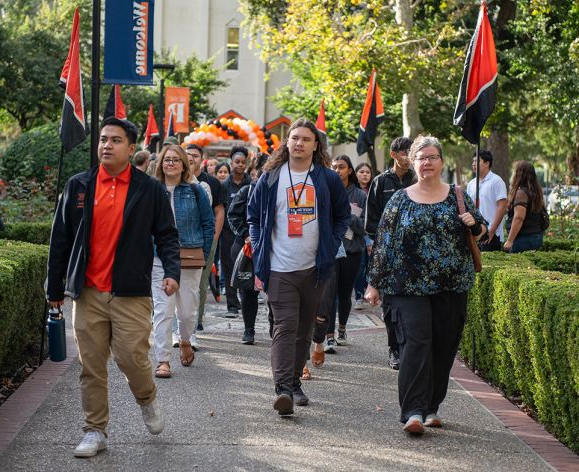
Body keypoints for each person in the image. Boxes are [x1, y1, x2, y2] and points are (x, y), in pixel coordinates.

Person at [46, 117, 181, 457]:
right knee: (91, 366)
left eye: (115, 140)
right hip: (88, 292)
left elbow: (166, 234)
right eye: (103, 139)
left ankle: (147, 399)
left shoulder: (148, 189)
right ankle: (95, 430)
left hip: (130, 292)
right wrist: (55, 287)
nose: (106, 145)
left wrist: (171, 271)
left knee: (132, 359)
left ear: (131, 148)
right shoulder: (79, 186)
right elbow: (60, 239)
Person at [365, 135, 487, 434]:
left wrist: (475, 224)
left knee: (444, 347)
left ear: (441, 162)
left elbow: (482, 230)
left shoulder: (457, 195)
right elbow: (383, 243)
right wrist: (374, 283)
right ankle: (413, 411)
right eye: (421, 157)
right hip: (407, 286)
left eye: (432, 157)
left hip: (452, 284)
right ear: (412, 161)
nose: (427, 162)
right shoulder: (399, 198)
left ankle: (432, 407)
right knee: (416, 345)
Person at [247, 118, 350, 416]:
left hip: (315, 268)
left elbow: (342, 215)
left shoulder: (327, 179)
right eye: (295, 138)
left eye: (306, 139)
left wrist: (330, 245)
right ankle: (282, 390)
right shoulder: (271, 176)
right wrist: (257, 247)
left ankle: (294, 383)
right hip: (279, 267)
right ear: (287, 142)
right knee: (285, 326)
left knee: (305, 329)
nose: (300, 143)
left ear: (316, 145)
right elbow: (253, 215)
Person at [151, 145, 214, 378]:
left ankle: (185, 339)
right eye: (167, 160)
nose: (171, 164)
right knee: (162, 310)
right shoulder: (152, 191)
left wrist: (204, 254)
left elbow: (208, 224)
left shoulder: (195, 191)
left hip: (190, 255)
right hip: (159, 257)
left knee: (187, 312)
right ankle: (163, 360)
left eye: (176, 160)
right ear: (160, 164)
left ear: (184, 164)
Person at [364, 136, 415, 370]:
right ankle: (394, 348)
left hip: (415, 252)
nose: (409, 157)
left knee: (413, 303)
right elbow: (371, 219)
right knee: (390, 304)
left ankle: (409, 347)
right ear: (394, 154)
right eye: (406, 153)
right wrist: (378, 246)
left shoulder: (418, 180)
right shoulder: (380, 182)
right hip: (388, 252)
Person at [324, 155, 366, 352]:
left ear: (350, 170)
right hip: (331, 249)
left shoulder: (360, 195)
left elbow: (363, 227)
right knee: (329, 293)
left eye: (341, 167)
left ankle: (342, 328)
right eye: (334, 167)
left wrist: (346, 213)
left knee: (344, 293)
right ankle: (329, 336)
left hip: (352, 251)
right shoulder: (325, 191)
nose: (337, 170)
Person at [228, 152, 269, 344]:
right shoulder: (247, 191)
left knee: (276, 290)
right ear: (256, 170)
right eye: (266, 168)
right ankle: (249, 330)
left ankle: (275, 326)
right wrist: (247, 235)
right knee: (248, 291)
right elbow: (233, 216)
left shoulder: (278, 191)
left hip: (271, 247)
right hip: (246, 247)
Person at [185, 144, 226, 335]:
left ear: (202, 159)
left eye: (195, 155)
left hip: (206, 238)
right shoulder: (177, 178)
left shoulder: (212, 183)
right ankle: (181, 322)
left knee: (201, 281)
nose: (191, 158)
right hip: (182, 239)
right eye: (187, 155)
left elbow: (219, 211)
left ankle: (197, 319)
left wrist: (215, 236)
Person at [220, 147, 251, 315]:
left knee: (245, 268)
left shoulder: (250, 185)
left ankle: (244, 299)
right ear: (231, 163)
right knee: (229, 267)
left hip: (246, 235)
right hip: (227, 234)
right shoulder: (224, 185)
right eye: (237, 162)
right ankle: (232, 304)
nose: (240, 165)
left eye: (243, 162)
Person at [466, 150, 507, 251]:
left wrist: (492, 230)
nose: (473, 164)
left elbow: (502, 207)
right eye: (473, 161)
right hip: (475, 232)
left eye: (476, 161)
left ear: (487, 163)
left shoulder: (496, 181)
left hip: (491, 234)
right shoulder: (471, 184)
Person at [504, 161, 546, 253]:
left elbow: (518, 218)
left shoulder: (521, 193)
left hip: (523, 238)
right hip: (536, 236)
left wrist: (510, 240)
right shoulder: (536, 191)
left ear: (519, 174)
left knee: (515, 265)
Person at [353, 163, 373, 309]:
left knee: (371, 265)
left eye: (367, 172)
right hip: (355, 233)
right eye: (361, 172)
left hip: (372, 233)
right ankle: (358, 296)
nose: (365, 174)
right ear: (356, 174)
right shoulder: (353, 191)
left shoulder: (374, 190)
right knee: (359, 266)